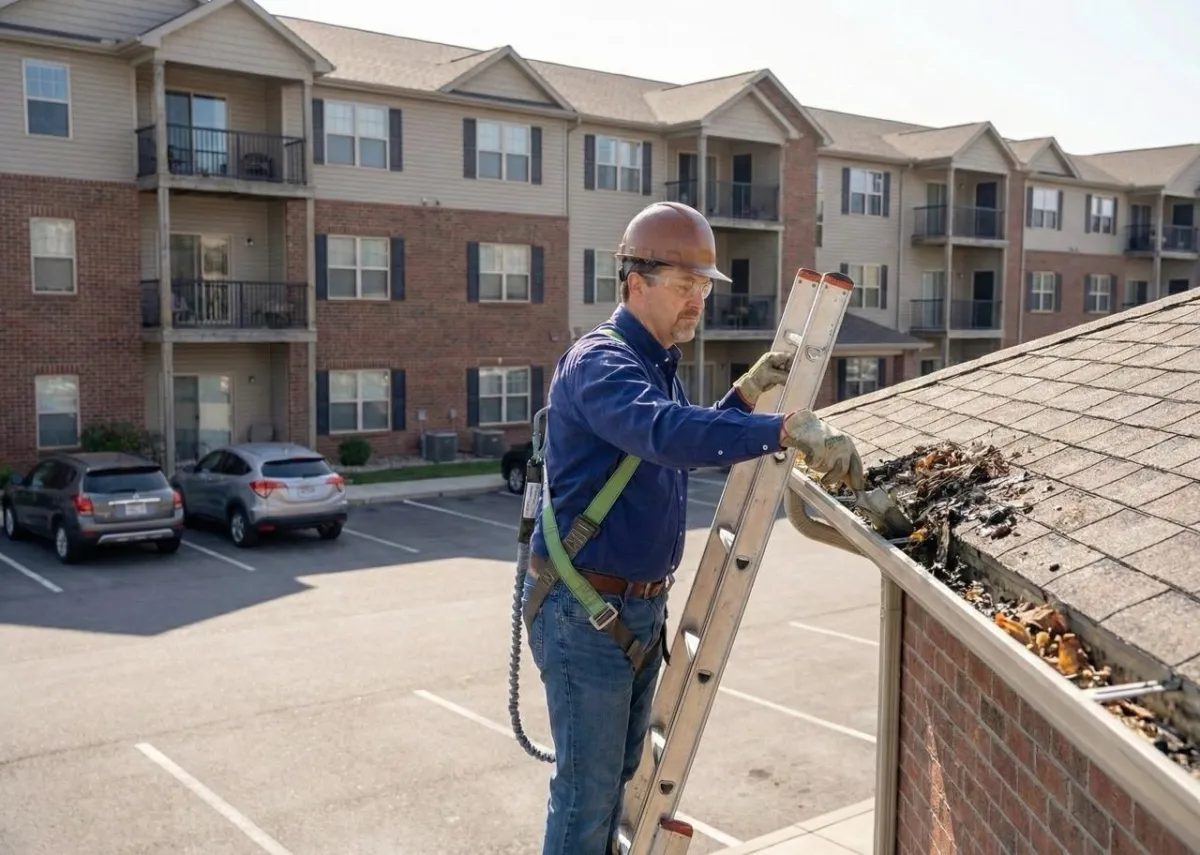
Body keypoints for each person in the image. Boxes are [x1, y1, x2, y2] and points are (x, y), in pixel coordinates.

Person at [522, 201, 864, 855]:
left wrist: (739, 400)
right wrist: (780, 428)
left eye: (704, 289)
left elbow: (659, 449)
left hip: (629, 612)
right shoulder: (601, 363)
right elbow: (662, 433)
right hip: (586, 611)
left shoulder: (651, 366)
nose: (697, 302)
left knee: (620, 783)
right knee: (586, 795)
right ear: (635, 281)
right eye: (685, 287)